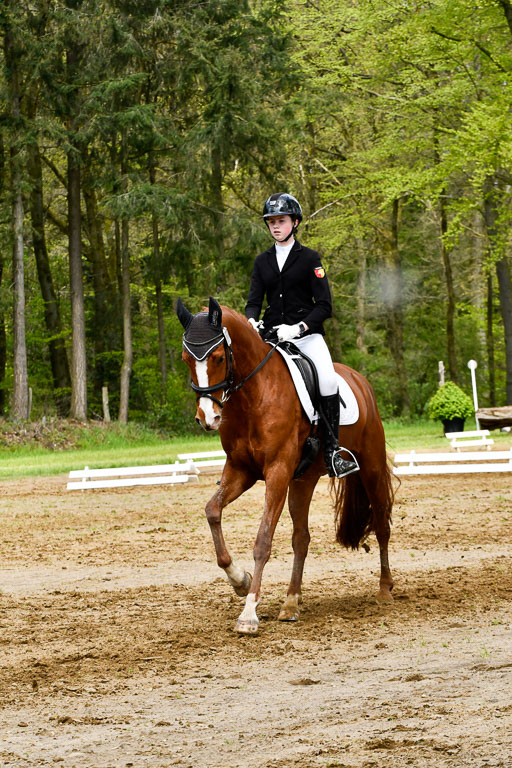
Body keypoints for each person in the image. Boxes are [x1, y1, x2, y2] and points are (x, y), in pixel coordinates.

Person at [245, 192, 359, 479]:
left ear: (294, 222)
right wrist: (251, 321)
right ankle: (241, 452)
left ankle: (333, 451)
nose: (275, 226)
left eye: (281, 221)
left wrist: (299, 328)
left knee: (328, 378)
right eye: (271, 221)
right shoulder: (262, 261)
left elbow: (324, 305)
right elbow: (254, 300)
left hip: (306, 336)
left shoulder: (310, 258)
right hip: (273, 337)